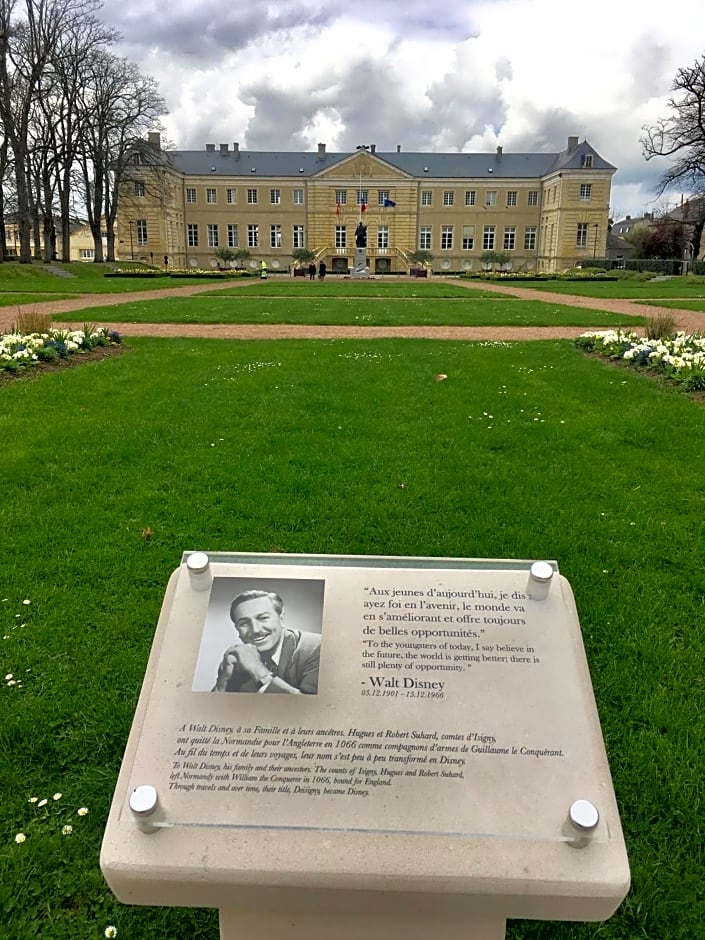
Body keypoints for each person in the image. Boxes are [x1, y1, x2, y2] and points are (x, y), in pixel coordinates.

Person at [213, 590, 320, 694]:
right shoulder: (237, 659)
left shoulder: (316, 648)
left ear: (281, 618)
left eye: (263, 618)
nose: (255, 630)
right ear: (237, 629)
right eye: (244, 623)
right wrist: (222, 682)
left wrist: (258, 671)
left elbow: (310, 709)